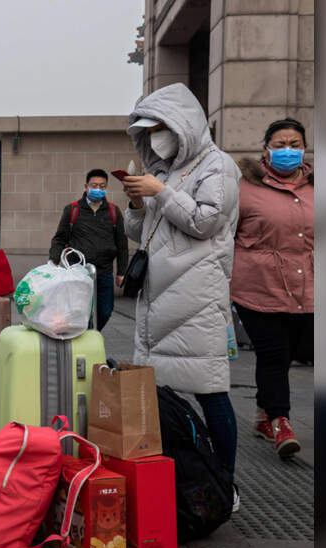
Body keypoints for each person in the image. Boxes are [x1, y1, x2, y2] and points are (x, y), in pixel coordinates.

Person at [120, 83, 241, 508]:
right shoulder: (166, 172)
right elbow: (139, 232)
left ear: (182, 124)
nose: (154, 137)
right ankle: (181, 477)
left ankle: (225, 484)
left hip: (197, 294)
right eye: (147, 130)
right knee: (159, 391)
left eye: (159, 128)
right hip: (158, 293)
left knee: (209, 389)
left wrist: (161, 192)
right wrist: (137, 202)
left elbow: (207, 222)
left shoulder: (218, 166)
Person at [231, 118, 313, 459]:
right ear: (266, 148)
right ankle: (282, 422)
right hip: (257, 288)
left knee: (293, 352)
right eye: (280, 144)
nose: (287, 151)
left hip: (307, 287)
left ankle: (264, 413)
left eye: (294, 144)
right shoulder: (244, 188)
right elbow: (225, 236)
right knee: (274, 354)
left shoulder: (317, 187)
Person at [49, 169, 129, 330]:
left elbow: (122, 243)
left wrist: (122, 271)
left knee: (105, 311)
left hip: (104, 272)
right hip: (78, 272)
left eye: (102, 186)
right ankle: (84, 341)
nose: (98, 189)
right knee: (79, 312)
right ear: (86, 186)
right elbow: (60, 238)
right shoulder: (72, 210)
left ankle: (91, 335)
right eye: (94, 185)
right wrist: (53, 260)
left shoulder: (113, 211)